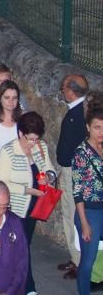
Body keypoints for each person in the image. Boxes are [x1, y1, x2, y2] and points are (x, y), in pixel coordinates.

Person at [0, 111, 52, 294]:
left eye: (36, 138)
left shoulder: (40, 147)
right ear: (20, 133)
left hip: (35, 207)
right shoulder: (8, 151)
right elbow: (1, 184)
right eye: (30, 139)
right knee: (21, 248)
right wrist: (27, 190)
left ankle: (15, 285)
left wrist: (48, 178)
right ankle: (28, 287)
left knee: (21, 247)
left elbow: (50, 169)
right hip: (16, 209)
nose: (34, 143)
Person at [57, 74, 89, 277]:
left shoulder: (78, 113)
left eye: (64, 88)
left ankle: (80, 261)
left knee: (72, 214)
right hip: (69, 169)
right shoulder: (78, 111)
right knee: (68, 214)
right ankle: (74, 256)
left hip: (72, 172)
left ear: (71, 91)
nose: (62, 91)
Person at [72, 95, 103, 295]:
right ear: (88, 127)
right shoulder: (81, 153)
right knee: (88, 261)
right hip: (90, 212)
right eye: (97, 127)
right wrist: (84, 222)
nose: (101, 132)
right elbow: (78, 191)